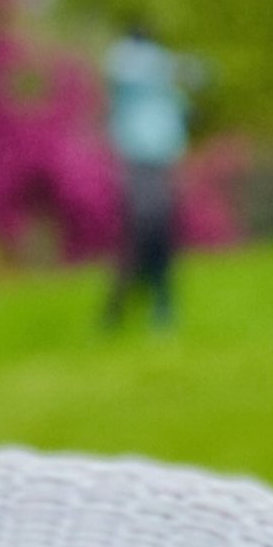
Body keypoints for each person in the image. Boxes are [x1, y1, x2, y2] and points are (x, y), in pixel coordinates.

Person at [101, 24, 192, 330]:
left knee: (159, 235)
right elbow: (125, 70)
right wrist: (168, 67)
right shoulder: (125, 61)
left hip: (161, 164)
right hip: (137, 166)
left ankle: (156, 305)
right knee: (144, 230)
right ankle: (125, 308)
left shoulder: (166, 81)